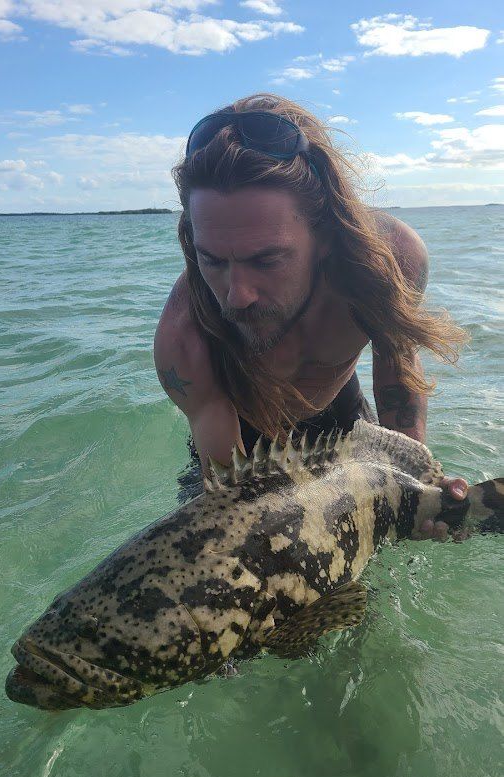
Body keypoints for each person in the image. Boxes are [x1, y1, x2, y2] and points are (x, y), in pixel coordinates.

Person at [154, 94, 468, 539]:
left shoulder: (388, 264)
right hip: (243, 439)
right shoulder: (184, 339)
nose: (236, 296)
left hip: (342, 415)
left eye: (266, 260)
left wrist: (419, 493)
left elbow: (396, 376)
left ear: (327, 233)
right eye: (214, 261)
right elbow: (233, 510)